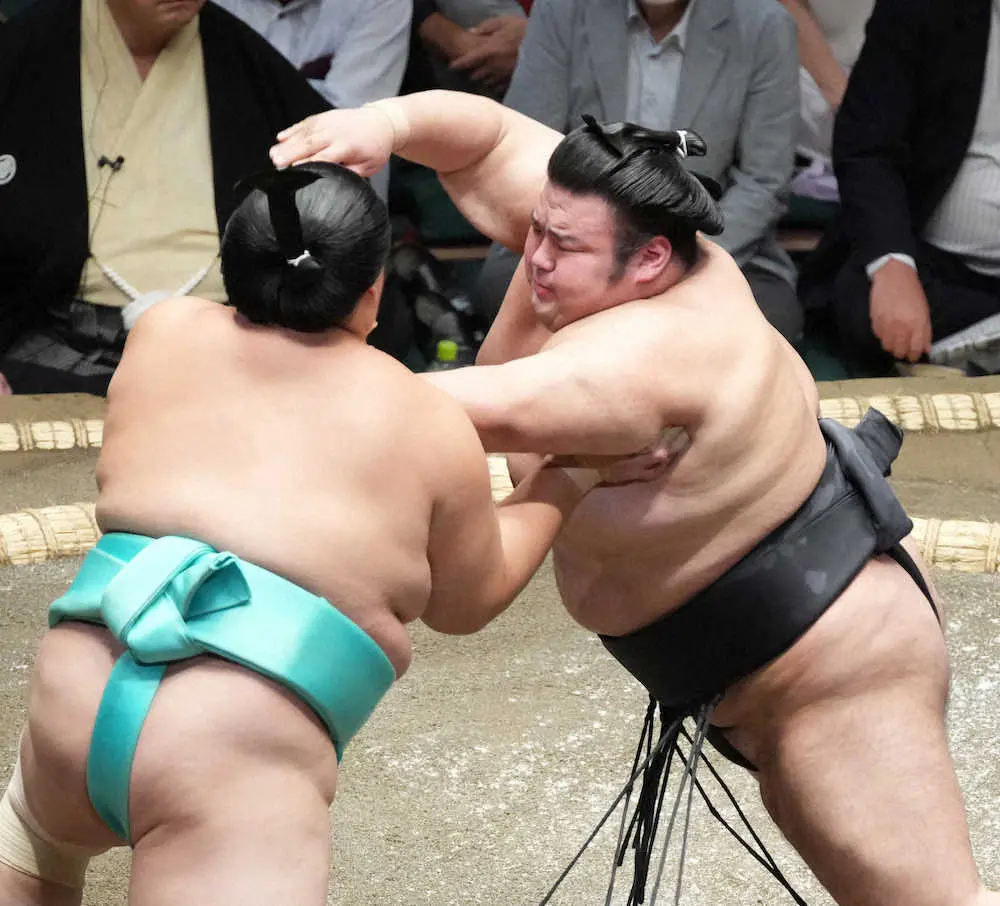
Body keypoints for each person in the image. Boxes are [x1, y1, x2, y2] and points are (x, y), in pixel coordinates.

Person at [271, 91, 999, 906]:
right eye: (537, 229)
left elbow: (401, 410)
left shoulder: (643, 361)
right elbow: (489, 141)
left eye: (563, 245)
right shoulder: (615, 227)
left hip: (837, 670)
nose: (536, 257)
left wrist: (248, 357)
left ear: (650, 260)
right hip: (772, 649)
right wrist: (387, 126)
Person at [0, 163, 604, 906]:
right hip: (231, 749)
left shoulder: (162, 331)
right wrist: (569, 477)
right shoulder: (425, 418)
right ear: (373, 288)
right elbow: (466, 601)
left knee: (28, 838)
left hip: (72, 697)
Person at [0, 0, 329, 396]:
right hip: (61, 338)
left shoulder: (244, 56)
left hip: (234, 338)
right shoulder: (25, 48)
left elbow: (330, 190)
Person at [471, 0, 804, 345]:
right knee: (504, 290)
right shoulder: (561, 10)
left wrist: (671, 265)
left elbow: (763, 181)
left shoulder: (764, 25)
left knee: (765, 319)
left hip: (709, 245)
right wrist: (595, 258)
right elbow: (525, 148)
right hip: (573, 243)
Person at [799, 0, 1000, 373]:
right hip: (935, 261)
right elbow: (867, 146)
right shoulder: (922, 8)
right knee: (863, 301)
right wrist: (893, 262)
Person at [210, 0, 411, 198]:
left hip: (333, 200)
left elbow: (347, 131)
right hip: (224, 189)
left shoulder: (379, 3)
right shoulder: (206, 7)